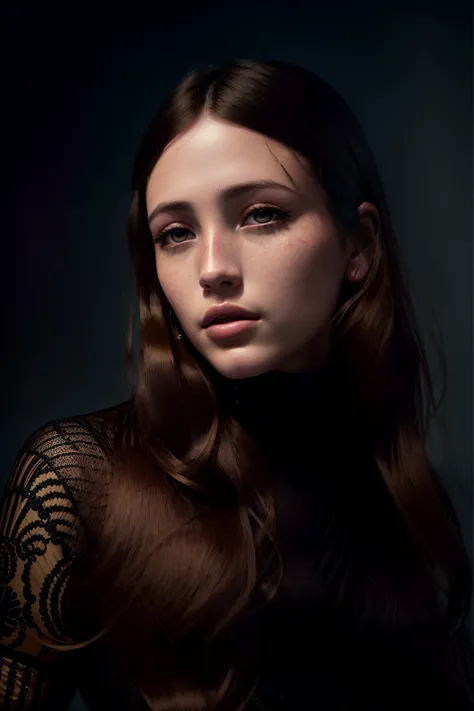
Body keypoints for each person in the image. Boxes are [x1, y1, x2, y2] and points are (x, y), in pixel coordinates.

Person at [0, 58, 472, 711]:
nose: (213, 269)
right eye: (176, 233)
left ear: (357, 245)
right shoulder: (76, 481)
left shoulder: (400, 496)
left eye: (259, 215)